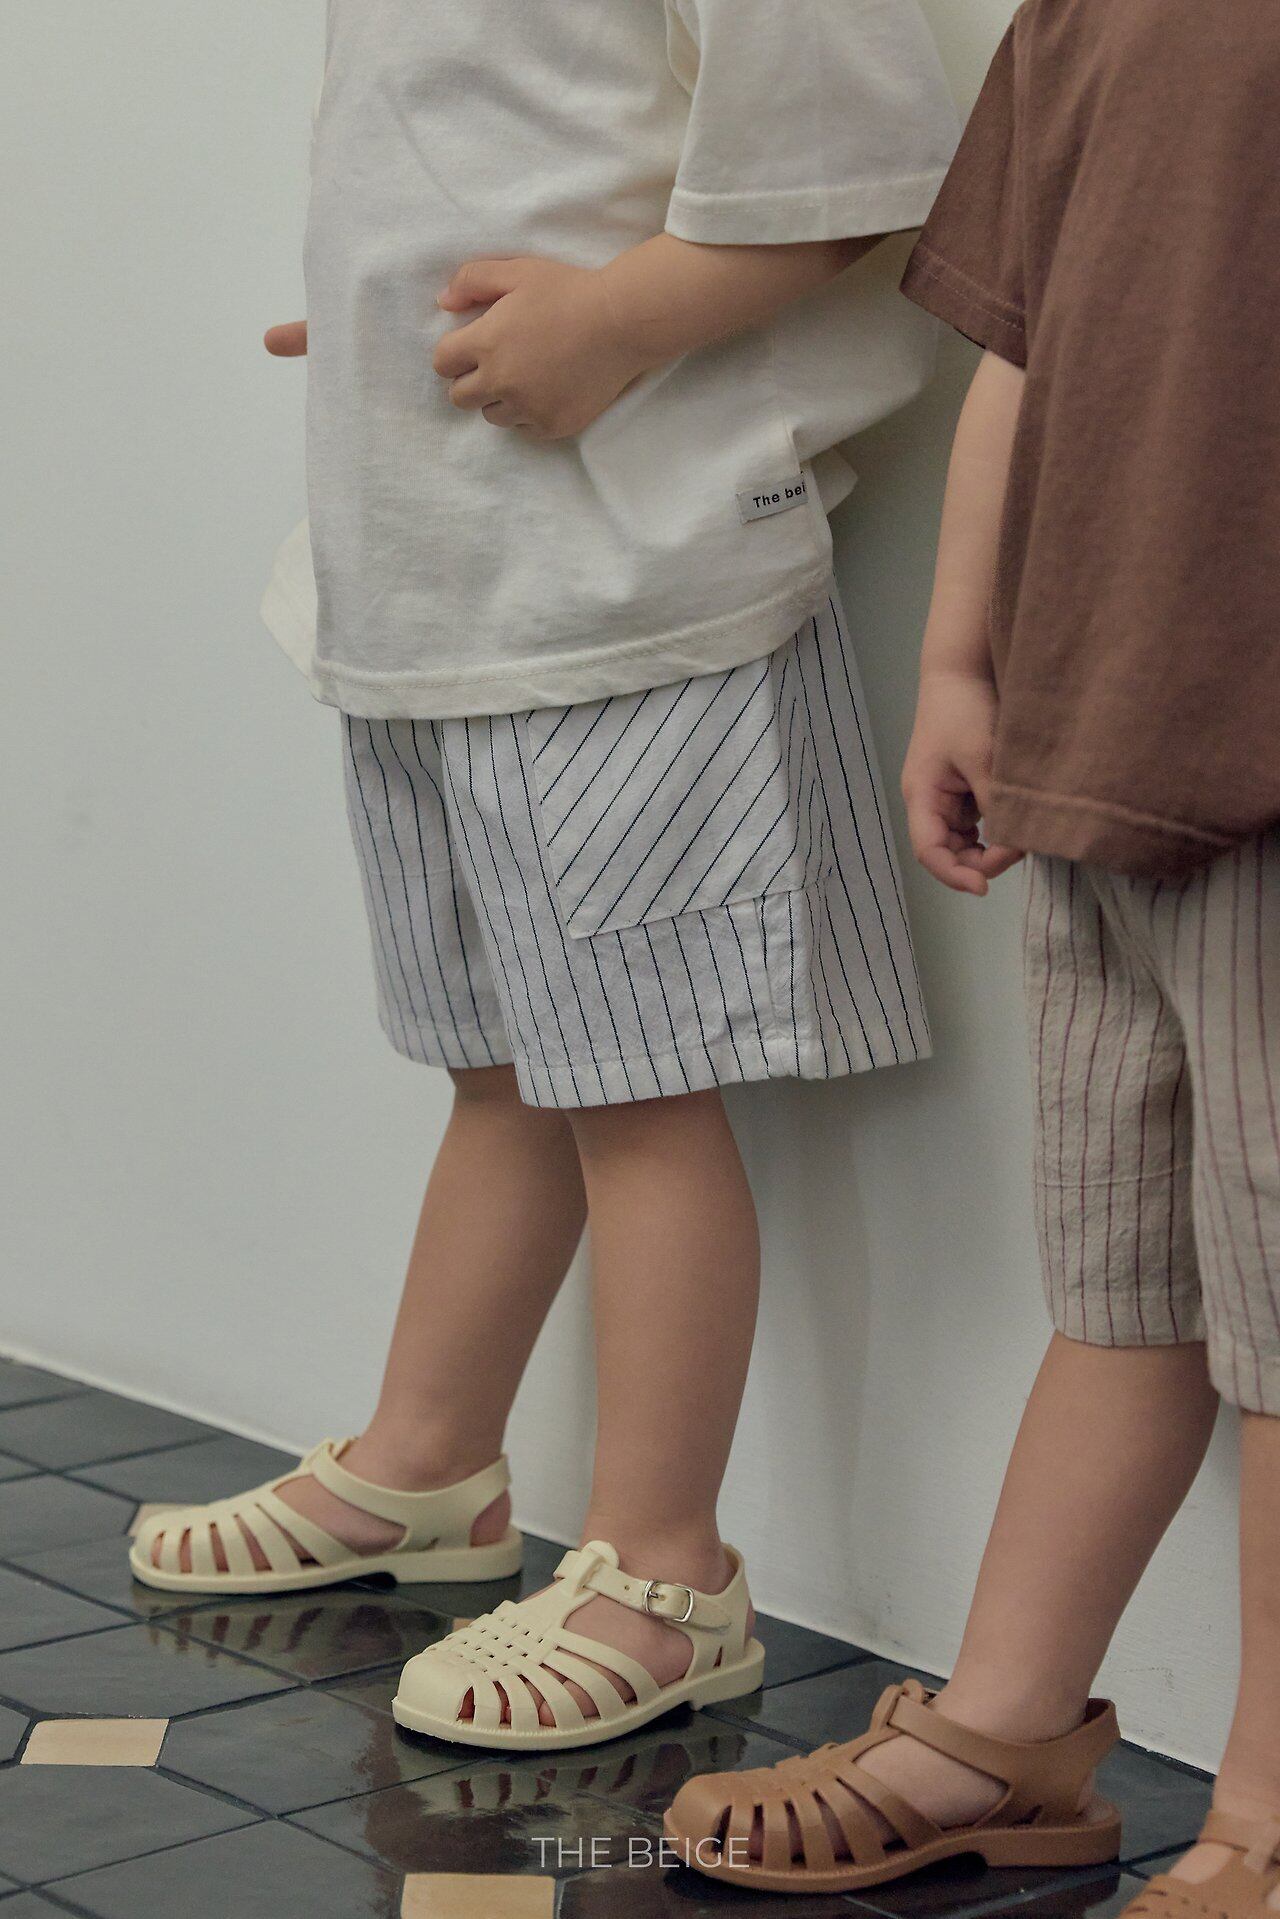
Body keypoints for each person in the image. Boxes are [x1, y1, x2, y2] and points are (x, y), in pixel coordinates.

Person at [127, 1, 958, 1753]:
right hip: (431, 570)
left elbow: (861, 153)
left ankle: (668, 1574)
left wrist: (609, 320)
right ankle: (428, 1461)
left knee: (643, 1090)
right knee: (498, 1063)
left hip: (618, 582)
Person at [665, 0, 1280, 1893]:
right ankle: (1010, 1727)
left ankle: (1264, 1814)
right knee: (1123, 1284)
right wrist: (959, 661)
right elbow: (1023, 334)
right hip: (1099, 750)